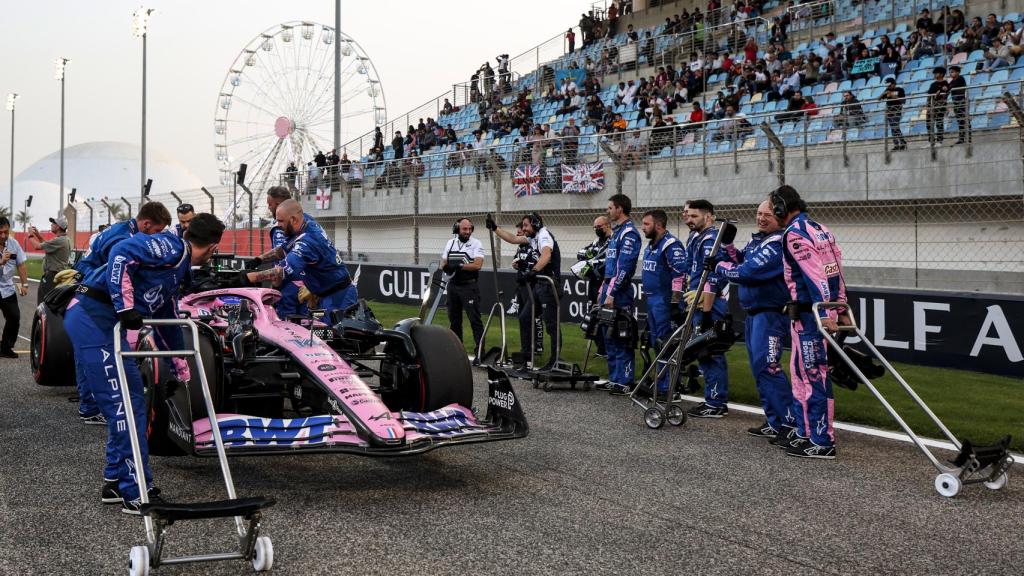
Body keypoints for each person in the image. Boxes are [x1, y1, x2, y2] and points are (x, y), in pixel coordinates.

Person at [64, 213, 225, 513]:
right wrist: (125, 308)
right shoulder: (171, 246)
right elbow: (120, 253)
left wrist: (180, 364)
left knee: (133, 400)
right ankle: (135, 491)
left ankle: (115, 481)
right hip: (92, 318)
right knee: (124, 405)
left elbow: (167, 318)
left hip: (103, 322)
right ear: (213, 247)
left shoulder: (177, 269)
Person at [773, 185, 848, 460]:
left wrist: (828, 315)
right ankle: (806, 432)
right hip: (810, 313)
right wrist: (840, 305)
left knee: (813, 375)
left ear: (782, 208)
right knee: (801, 371)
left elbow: (816, 276)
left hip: (810, 314)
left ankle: (822, 439)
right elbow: (835, 269)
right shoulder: (821, 228)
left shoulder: (794, 234)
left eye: (774, 208)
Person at [716, 200, 797, 439]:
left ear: (779, 216)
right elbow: (741, 261)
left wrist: (719, 266)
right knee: (759, 369)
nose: (761, 218)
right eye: (759, 213)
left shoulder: (778, 242)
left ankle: (789, 423)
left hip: (770, 315)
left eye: (767, 215)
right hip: (754, 314)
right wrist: (728, 245)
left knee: (769, 367)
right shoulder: (758, 239)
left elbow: (748, 272)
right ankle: (774, 420)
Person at [242, 200, 357, 321]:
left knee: (333, 337)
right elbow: (282, 250)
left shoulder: (307, 241)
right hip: (325, 295)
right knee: (316, 334)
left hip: (338, 297)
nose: (278, 225)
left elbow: (281, 271)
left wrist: (249, 277)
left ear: (293, 220)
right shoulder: (304, 223)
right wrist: (258, 260)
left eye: (281, 221)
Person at [486, 212, 561, 370]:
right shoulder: (532, 237)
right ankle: (526, 356)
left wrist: (533, 270)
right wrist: (495, 228)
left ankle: (555, 360)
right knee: (525, 317)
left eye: (526, 225)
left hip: (549, 285)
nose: (524, 229)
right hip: (540, 285)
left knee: (551, 324)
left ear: (535, 224)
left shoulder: (544, 235)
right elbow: (513, 239)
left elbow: (546, 255)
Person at [683, 199, 730, 418]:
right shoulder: (695, 237)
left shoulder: (712, 239)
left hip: (710, 302)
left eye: (694, 216)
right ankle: (712, 399)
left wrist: (708, 311)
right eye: (688, 215)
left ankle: (716, 402)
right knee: (701, 351)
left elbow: (714, 276)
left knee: (710, 351)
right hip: (696, 299)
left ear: (708, 216)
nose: (688, 219)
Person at [639, 209, 687, 395]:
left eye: (646, 224)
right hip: (652, 301)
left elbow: (680, 274)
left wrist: (675, 303)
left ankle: (669, 388)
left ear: (658, 225)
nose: (643, 228)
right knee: (656, 342)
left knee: (666, 343)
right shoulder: (651, 246)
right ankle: (661, 383)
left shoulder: (671, 245)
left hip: (665, 303)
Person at [597, 194, 641, 394]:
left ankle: (625, 381)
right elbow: (610, 265)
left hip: (620, 292)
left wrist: (612, 292)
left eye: (610, 207)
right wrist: (602, 290)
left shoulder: (630, 233)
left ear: (620, 209)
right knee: (609, 335)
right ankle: (615, 378)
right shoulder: (616, 232)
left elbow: (624, 267)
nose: (608, 211)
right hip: (608, 287)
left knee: (621, 336)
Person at [251, 186, 315, 318]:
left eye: (270, 204)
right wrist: (259, 259)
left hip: (288, 284)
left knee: (284, 325)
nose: (268, 207)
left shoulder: (280, 226)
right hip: (307, 283)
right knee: (305, 324)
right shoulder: (307, 220)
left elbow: (282, 255)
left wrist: (275, 285)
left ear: (279, 204)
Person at [441, 218, 485, 358]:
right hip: (453, 286)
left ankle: (480, 352)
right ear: (457, 229)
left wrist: (460, 265)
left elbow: (478, 265)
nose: (467, 232)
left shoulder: (476, 243)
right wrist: (446, 266)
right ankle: (457, 351)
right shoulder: (450, 242)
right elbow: (444, 262)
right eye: (464, 229)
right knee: (454, 321)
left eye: (470, 229)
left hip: (469, 286)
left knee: (475, 320)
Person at [574, 216, 611, 358]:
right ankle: (600, 349)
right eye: (594, 227)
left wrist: (593, 260)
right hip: (593, 282)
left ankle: (607, 350)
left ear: (607, 225)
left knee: (604, 316)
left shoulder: (612, 241)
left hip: (605, 281)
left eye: (599, 227)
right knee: (592, 314)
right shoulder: (596, 241)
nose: (596, 230)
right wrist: (592, 255)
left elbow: (606, 261)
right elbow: (580, 253)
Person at [510, 222, 544, 358]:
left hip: (531, 285)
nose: (517, 235)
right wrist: (516, 264)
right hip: (521, 285)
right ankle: (526, 347)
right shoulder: (520, 248)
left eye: (519, 233)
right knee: (523, 317)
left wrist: (523, 264)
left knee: (534, 317)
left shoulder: (533, 246)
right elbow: (517, 261)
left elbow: (535, 263)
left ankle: (538, 345)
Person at [26, 215, 71, 303]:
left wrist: (30, 235)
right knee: (50, 302)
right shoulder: (63, 239)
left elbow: (37, 246)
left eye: (53, 223)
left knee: (42, 302)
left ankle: (41, 317)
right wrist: (38, 235)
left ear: (58, 226)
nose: (51, 224)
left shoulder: (59, 240)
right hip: (57, 275)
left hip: (52, 276)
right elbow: (46, 244)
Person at [0, 217, 28, 359]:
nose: (3, 236)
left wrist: (24, 284)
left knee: (14, 317)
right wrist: (1, 262)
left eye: (6, 232)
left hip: (7, 289)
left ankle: (6, 347)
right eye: (0, 233)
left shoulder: (14, 244)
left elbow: (21, 264)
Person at [882, 77, 907, 151]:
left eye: (889, 85)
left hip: (897, 111)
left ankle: (902, 143)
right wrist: (884, 93)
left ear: (893, 83)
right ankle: (897, 144)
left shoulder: (900, 89)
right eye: (887, 86)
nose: (888, 87)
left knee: (895, 127)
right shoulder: (887, 90)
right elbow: (878, 99)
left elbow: (903, 101)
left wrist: (892, 95)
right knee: (893, 128)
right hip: (889, 111)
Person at [926, 66, 949, 145]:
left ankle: (940, 141)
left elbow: (945, 93)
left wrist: (940, 93)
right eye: (935, 73)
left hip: (940, 106)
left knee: (939, 123)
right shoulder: (933, 84)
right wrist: (928, 105)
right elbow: (929, 95)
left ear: (941, 74)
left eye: (936, 73)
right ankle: (931, 141)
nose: (935, 74)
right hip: (931, 106)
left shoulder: (945, 83)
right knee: (929, 124)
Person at [947, 65, 969, 145]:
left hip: (961, 102)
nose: (950, 74)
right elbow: (947, 87)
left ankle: (968, 138)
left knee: (965, 120)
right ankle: (961, 138)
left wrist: (947, 87)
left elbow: (950, 86)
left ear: (957, 72)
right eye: (950, 72)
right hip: (956, 103)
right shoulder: (953, 81)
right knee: (960, 121)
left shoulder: (960, 78)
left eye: (952, 72)